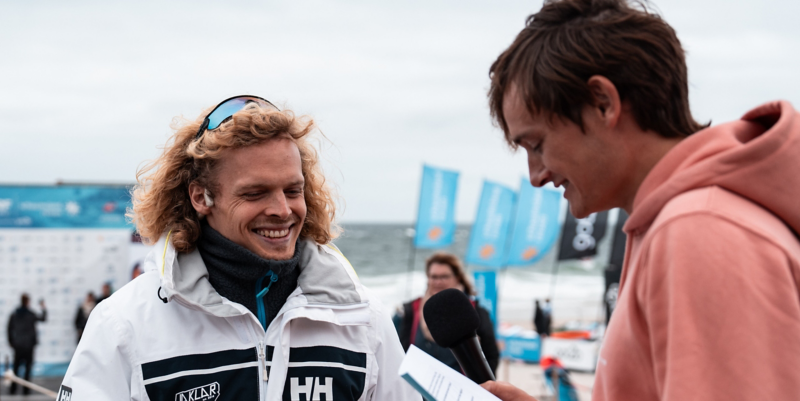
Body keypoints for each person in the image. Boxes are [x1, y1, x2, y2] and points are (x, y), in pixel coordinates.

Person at [480, 0, 800, 400]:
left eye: (537, 144)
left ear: (603, 103)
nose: (536, 176)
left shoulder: (698, 231)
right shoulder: (673, 222)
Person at [60, 95, 417, 401]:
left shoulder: (362, 318)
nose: (282, 209)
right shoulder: (125, 323)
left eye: (293, 190)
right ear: (201, 196)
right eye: (255, 193)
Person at [398, 252, 499, 375]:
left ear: (457, 278)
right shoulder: (411, 311)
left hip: (461, 390)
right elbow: (398, 353)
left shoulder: (474, 312)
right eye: (434, 277)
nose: (438, 282)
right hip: (417, 390)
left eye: (444, 277)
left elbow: (491, 356)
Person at [6, 293, 46, 395]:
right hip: (27, 346)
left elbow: (9, 329)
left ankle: (13, 390)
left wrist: (11, 342)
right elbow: (43, 318)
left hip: (19, 346)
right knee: (27, 369)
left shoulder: (15, 314)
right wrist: (43, 308)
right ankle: (25, 390)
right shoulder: (30, 314)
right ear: (28, 302)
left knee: (16, 368)